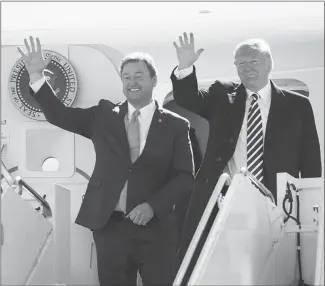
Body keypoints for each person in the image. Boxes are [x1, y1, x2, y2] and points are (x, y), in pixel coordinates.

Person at [18, 36, 194, 285]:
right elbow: (60, 115)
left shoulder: (176, 125)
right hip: (110, 227)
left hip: (157, 229)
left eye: (139, 76)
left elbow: (185, 177)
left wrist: (153, 205)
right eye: (127, 77)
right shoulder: (103, 116)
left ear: (154, 80)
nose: (132, 82)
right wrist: (36, 76)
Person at [171, 32, 322, 272]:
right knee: (225, 267)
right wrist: (185, 66)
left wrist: (312, 208)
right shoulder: (222, 94)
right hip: (226, 201)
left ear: (269, 63)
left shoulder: (297, 105)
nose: (247, 67)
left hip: (277, 204)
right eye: (240, 62)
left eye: (253, 61)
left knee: (273, 268)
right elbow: (188, 99)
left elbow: (311, 159)